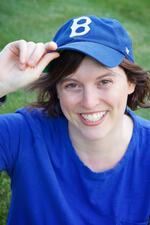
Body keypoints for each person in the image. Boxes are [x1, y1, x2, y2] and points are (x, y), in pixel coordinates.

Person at [0, 15, 150, 225]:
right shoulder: (25, 133)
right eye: (71, 84)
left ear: (131, 83)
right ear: (57, 90)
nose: (89, 102)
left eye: (104, 81)